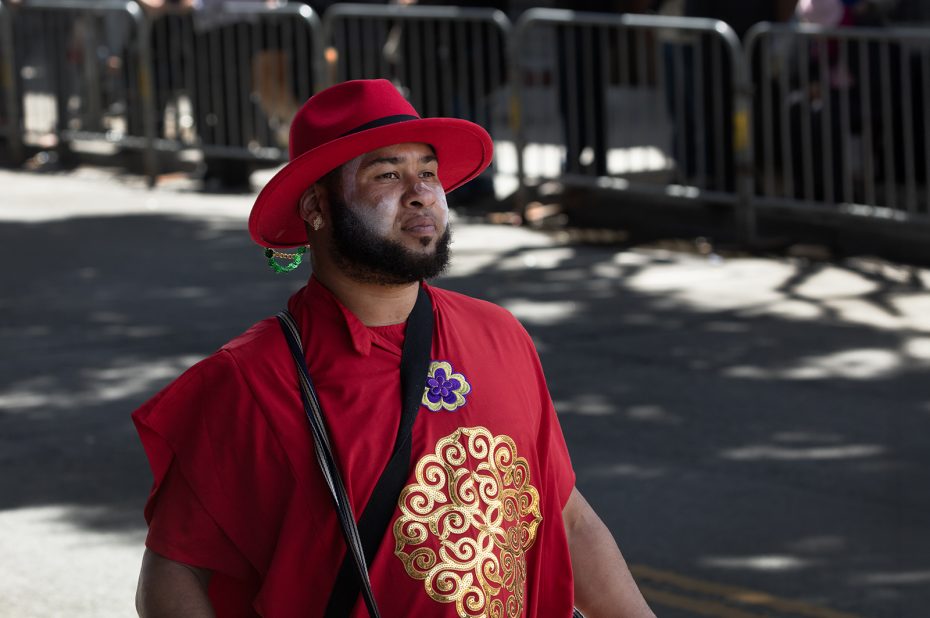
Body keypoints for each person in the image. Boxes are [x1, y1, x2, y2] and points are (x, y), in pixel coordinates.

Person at [132, 78, 656, 618]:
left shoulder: (500, 334)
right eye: (387, 174)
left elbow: (565, 516)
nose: (421, 191)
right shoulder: (247, 380)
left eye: (427, 172)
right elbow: (176, 570)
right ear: (316, 206)